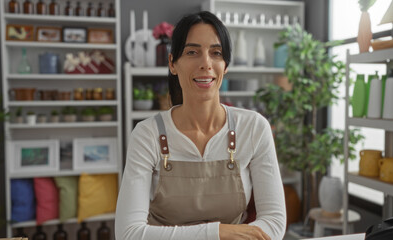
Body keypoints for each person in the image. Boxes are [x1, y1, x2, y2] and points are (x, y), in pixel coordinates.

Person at [115, 11, 286, 240]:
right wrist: (217, 232)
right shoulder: (148, 135)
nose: (206, 63)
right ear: (173, 63)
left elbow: (274, 221)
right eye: (192, 52)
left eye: (216, 53)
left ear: (225, 66)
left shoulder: (254, 128)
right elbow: (129, 233)